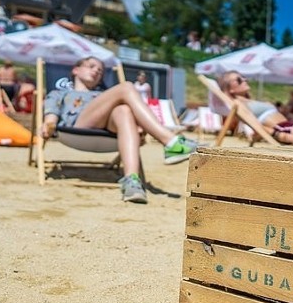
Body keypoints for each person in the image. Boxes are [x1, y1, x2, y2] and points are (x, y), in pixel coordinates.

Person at [42, 57, 198, 204]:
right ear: (75, 70)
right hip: (76, 128)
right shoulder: (60, 93)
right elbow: (51, 114)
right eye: (91, 66)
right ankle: (171, 141)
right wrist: (49, 124)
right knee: (127, 87)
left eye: (100, 70)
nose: (97, 71)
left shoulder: (103, 95)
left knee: (123, 110)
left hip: (107, 129)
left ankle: (131, 181)